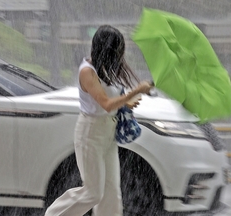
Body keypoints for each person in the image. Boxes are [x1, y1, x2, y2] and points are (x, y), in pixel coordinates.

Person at [44, 25, 152, 216]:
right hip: (90, 134)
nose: (120, 56)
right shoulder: (87, 71)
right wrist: (135, 91)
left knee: (111, 194)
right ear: (106, 50)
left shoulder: (105, 69)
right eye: (117, 51)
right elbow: (106, 104)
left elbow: (110, 104)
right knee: (93, 193)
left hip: (107, 134)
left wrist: (125, 105)